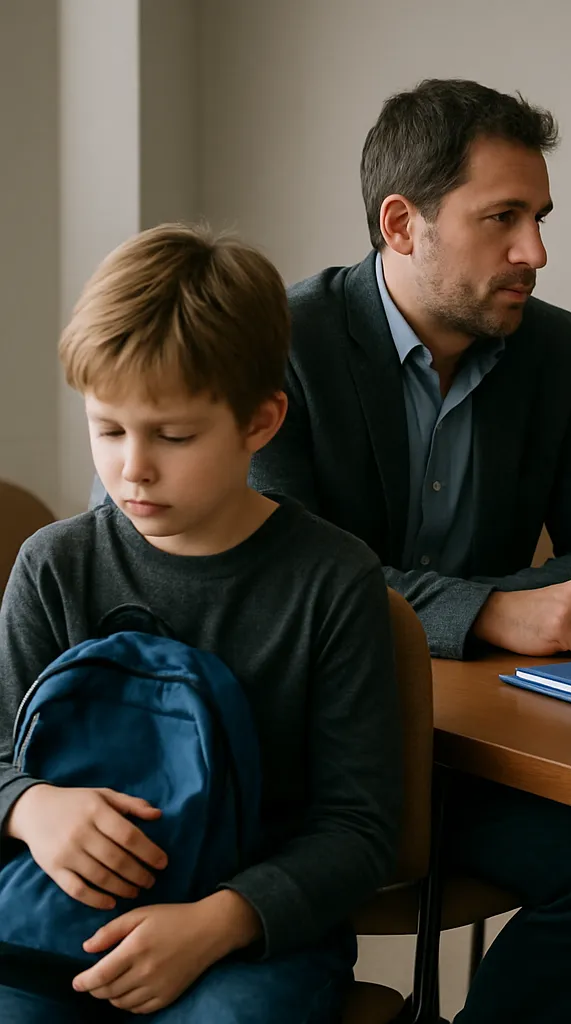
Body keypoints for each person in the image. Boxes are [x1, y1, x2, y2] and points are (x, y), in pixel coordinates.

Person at [249, 79, 571, 1024]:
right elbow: (283, 564)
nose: (536, 252)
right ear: (402, 224)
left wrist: (524, 602)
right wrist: (484, 610)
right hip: (303, 755)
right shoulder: (283, 340)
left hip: (470, 749)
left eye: (540, 217)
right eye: (502, 219)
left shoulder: (553, 349)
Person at [0, 224, 401, 1022]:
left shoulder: (332, 579)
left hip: (248, 940)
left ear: (261, 422)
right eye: (107, 429)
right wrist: (29, 805)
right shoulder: (55, 565)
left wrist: (221, 922)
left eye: (173, 436)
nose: (131, 468)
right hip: (54, 923)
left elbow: (360, 830)